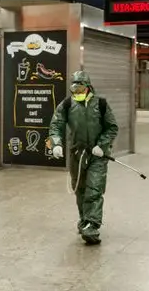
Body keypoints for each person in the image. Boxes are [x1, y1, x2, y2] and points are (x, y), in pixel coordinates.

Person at [47, 70, 119, 245]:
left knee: (94, 189)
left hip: (97, 155)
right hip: (77, 154)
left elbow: (112, 127)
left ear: (88, 87)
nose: (77, 91)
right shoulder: (66, 105)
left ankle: (92, 226)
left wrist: (102, 146)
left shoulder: (101, 104)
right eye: (74, 88)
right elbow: (56, 124)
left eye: (80, 87)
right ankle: (85, 220)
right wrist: (56, 143)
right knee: (79, 189)